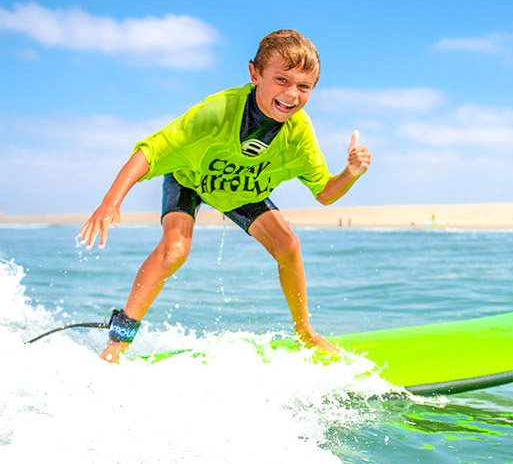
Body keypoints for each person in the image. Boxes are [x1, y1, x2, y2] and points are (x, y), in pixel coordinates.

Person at [77, 29, 371, 362]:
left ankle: (305, 332)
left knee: (288, 243)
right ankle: (119, 339)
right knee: (175, 249)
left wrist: (351, 172)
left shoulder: (298, 131)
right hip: (191, 177)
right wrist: (110, 202)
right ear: (255, 74)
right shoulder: (218, 112)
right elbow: (150, 151)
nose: (291, 94)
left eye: (303, 86)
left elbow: (324, 192)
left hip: (242, 189)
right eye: (282, 80)